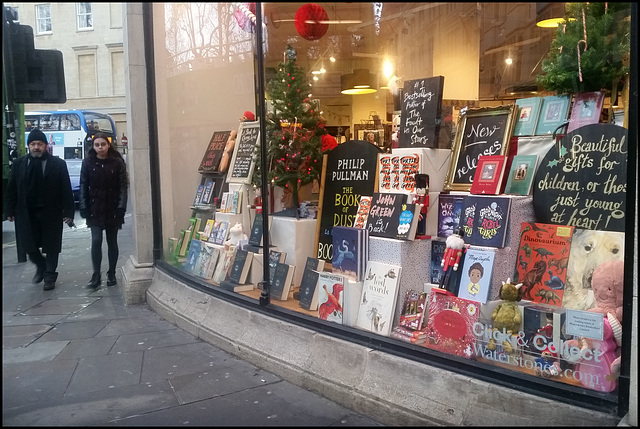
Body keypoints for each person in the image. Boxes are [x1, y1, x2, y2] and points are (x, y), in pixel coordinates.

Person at [5, 129, 75, 291]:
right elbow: (12, 188)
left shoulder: (58, 164)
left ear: (45, 146)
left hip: (50, 211)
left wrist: (69, 212)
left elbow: (66, 189)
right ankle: (41, 265)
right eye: (33, 144)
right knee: (28, 245)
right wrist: (9, 209)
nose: (36, 147)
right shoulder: (19, 164)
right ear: (28, 146)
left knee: (51, 246)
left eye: (40, 144)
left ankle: (49, 275)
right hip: (26, 212)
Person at [79, 132, 129, 289]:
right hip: (95, 207)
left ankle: (112, 273)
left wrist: (121, 207)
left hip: (112, 207)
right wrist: (83, 206)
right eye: (97, 145)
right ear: (93, 147)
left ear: (108, 145)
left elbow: (123, 186)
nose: (100, 147)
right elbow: (83, 185)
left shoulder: (117, 162)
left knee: (112, 241)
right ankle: (96, 275)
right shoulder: (87, 162)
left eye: (103, 144)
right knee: (96, 240)